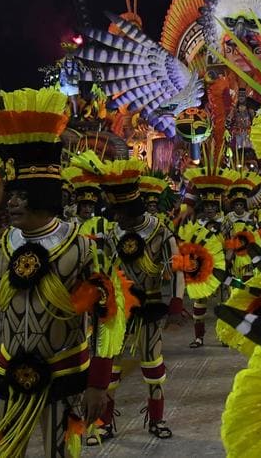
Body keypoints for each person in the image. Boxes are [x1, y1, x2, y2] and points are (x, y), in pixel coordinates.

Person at [0, 85, 123, 457]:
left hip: (66, 378)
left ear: (44, 196)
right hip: (7, 376)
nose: (11, 203)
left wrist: (98, 383)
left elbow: (107, 319)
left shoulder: (84, 249)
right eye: (10, 195)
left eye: (21, 196)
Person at [83, 158, 182, 441]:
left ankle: (157, 419)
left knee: (153, 364)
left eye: (122, 212)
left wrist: (176, 303)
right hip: (117, 310)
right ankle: (103, 422)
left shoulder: (161, 232)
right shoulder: (110, 234)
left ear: (134, 209)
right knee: (110, 366)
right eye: (115, 212)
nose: (117, 219)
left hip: (149, 307)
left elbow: (175, 268)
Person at [183, 160, 232, 348]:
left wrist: (227, 259)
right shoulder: (198, 224)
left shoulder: (226, 221)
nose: (210, 208)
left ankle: (224, 336)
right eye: (207, 206)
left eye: (213, 205)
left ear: (217, 205)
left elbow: (231, 242)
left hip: (222, 267)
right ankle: (199, 337)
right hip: (203, 268)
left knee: (225, 302)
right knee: (199, 303)